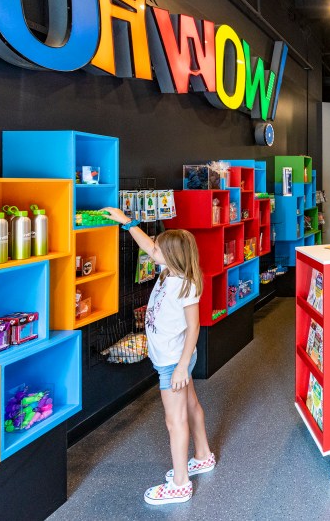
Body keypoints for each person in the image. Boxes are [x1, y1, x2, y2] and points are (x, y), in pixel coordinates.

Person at [102, 207, 214, 506]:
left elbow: (194, 328)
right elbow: (148, 245)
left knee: (174, 421)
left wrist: (179, 369)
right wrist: (126, 222)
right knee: (190, 405)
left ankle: (180, 484)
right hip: (173, 360)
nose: (153, 251)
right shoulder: (168, 272)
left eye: (159, 249)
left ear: (172, 256)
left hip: (173, 363)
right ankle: (202, 455)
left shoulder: (185, 285)